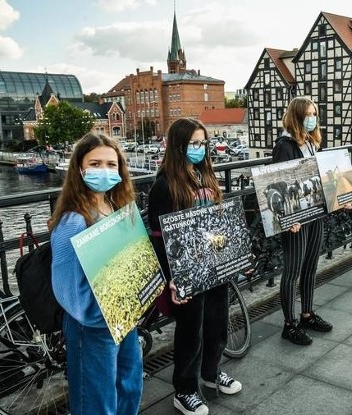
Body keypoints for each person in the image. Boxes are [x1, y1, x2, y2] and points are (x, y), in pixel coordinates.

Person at [148, 118, 241, 415]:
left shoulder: (206, 176)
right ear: (178, 147)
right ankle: (185, 389)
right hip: (186, 271)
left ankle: (211, 373)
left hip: (213, 264)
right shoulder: (164, 186)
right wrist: (170, 278)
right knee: (191, 329)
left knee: (217, 320)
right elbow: (159, 237)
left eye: (203, 143)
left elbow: (218, 220)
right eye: (194, 144)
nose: (200, 149)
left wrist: (233, 254)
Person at [50, 133, 142, 414]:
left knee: (129, 385)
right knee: (96, 401)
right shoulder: (74, 220)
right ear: (80, 168)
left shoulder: (114, 205)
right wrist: (98, 317)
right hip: (94, 323)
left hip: (122, 315)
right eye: (96, 163)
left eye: (112, 165)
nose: (105, 171)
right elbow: (66, 287)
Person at [272, 97, 333, 345]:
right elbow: (278, 184)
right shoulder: (285, 146)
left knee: (310, 266)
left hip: (314, 211)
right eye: (308, 114)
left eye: (314, 113)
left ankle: (307, 313)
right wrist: (288, 218)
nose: (312, 118)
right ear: (296, 116)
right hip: (295, 218)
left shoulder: (310, 142)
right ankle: (290, 324)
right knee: (293, 271)